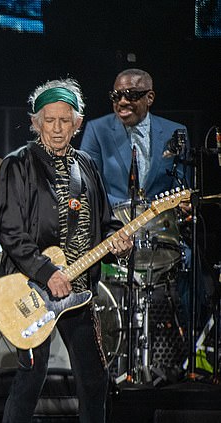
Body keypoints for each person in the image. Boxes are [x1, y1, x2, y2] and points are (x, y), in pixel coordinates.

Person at [0, 78, 132, 423]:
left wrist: (120, 243)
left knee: (95, 379)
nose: (57, 129)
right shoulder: (18, 164)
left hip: (79, 291)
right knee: (31, 377)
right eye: (49, 120)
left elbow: (105, 221)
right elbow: (9, 230)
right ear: (35, 122)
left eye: (65, 120)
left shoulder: (86, 165)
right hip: (32, 287)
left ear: (78, 123)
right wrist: (46, 272)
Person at [80, 68, 194, 328]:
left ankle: (191, 341)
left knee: (191, 260)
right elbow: (86, 187)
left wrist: (185, 205)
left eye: (131, 95)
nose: (122, 102)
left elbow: (184, 186)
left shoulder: (177, 132)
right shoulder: (97, 130)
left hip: (161, 234)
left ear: (149, 97)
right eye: (117, 95)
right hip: (113, 232)